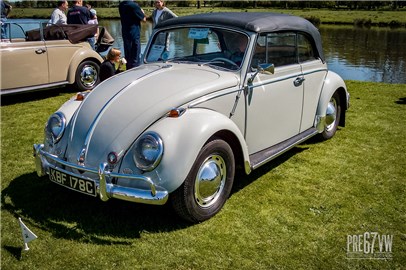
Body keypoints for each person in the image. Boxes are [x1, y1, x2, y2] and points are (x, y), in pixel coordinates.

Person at [119, 1, 146, 70]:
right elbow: (144, 19)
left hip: (125, 32)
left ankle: (129, 69)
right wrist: (142, 12)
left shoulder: (121, 5)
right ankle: (135, 71)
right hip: (134, 33)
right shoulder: (134, 5)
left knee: (128, 54)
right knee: (135, 55)